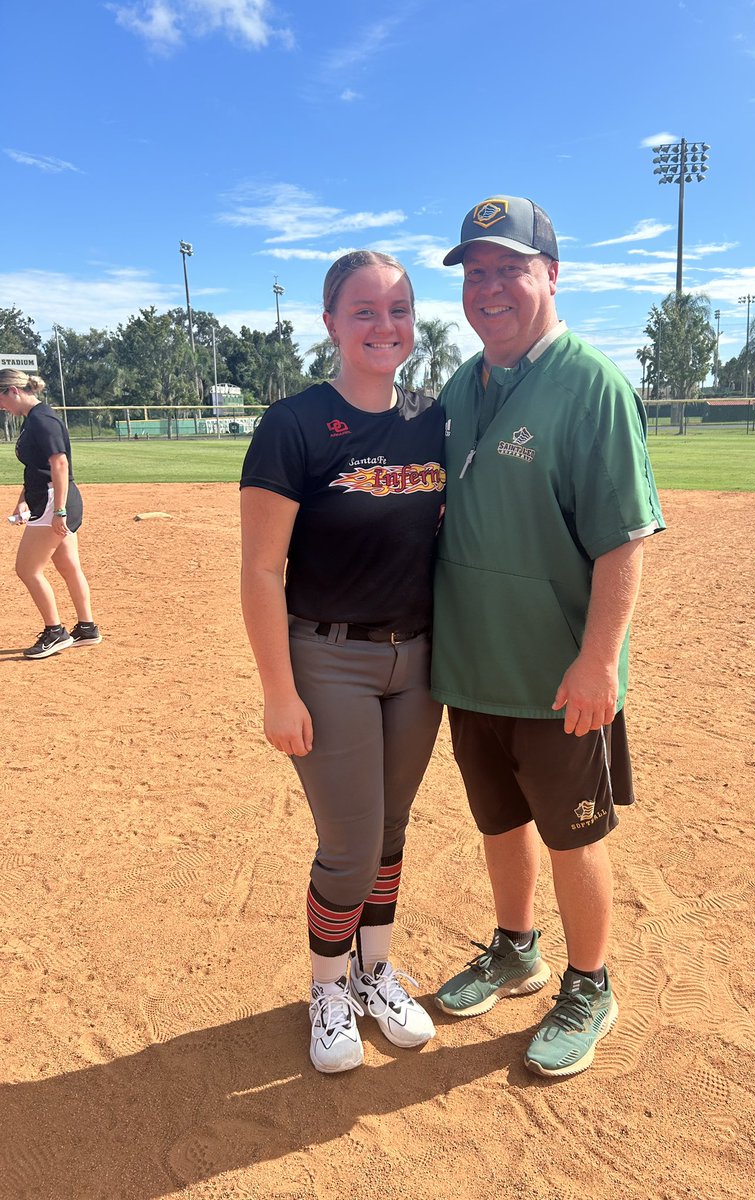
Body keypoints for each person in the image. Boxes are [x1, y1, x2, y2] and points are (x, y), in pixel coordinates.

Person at [431, 196, 665, 1078]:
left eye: (509, 268)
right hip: (474, 666)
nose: (489, 287)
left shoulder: (590, 384)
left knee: (574, 836)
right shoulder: (464, 386)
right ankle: (515, 948)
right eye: (475, 272)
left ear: (551, 276)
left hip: (559, 674)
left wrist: (599, 660)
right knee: (499, 824)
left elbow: (623, 538)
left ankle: (590, 983)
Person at [240, 250, 446, 1074]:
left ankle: (374, 972)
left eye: (398, 308)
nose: (384, 325)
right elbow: (261, 569)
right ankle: (328, 986)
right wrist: (277, 691)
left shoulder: (433, 418)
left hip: (419, 659)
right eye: (363, 310)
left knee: (391, 832)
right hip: (329, 659)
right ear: (330, 322)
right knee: (351, 845)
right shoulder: (293, 424)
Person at [0, 370, 102, 659]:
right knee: (69, 566)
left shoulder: (41, 420)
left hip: (54, 501)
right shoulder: (34, 419)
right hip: (50, 499)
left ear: (13, 391)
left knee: (27, 569)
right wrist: (22, 500)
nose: (1, 406)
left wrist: (58, 510)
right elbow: (37, 467)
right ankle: (87, 627)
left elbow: (59, 464)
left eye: (0, 399)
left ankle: (55, 632)